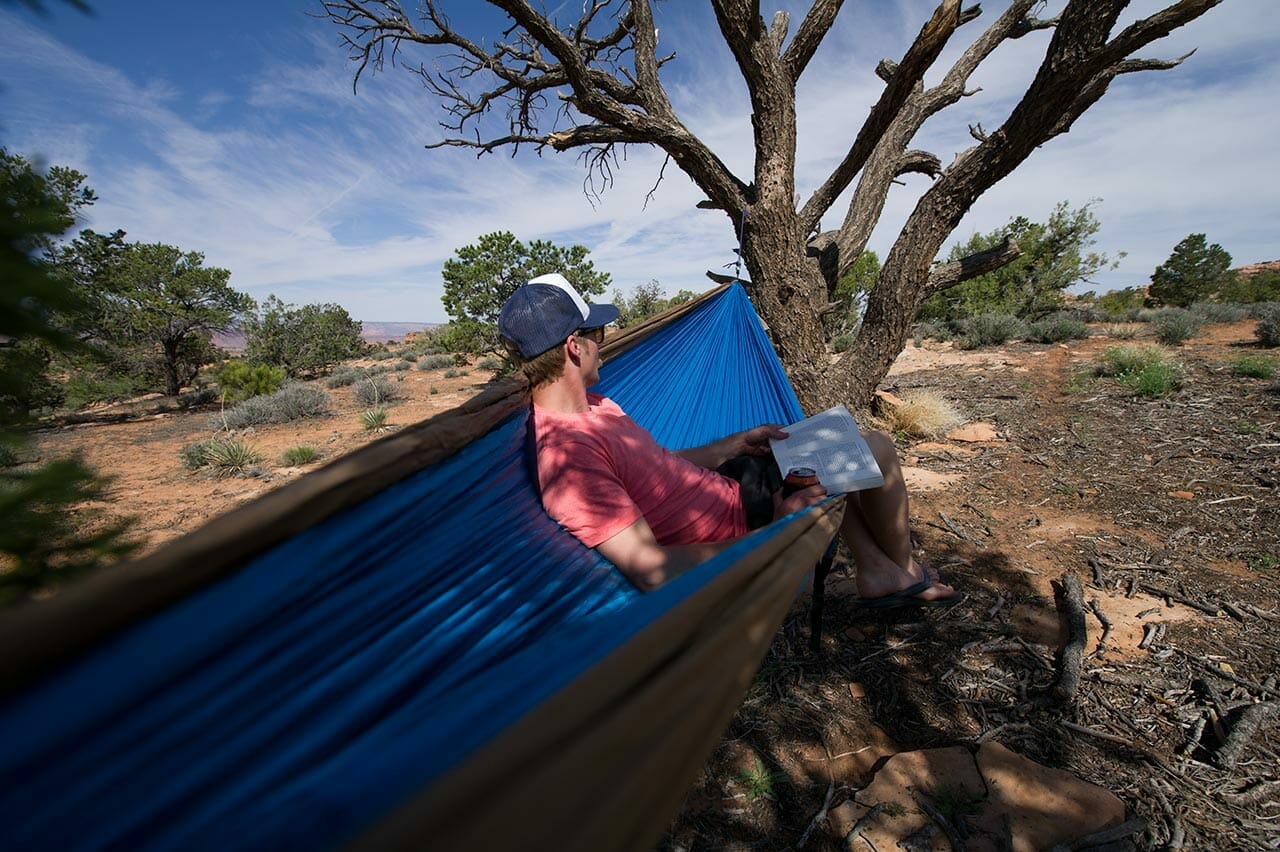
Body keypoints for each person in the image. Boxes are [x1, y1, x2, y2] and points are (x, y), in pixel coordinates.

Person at [498, 272, 957, 605]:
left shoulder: (596, 406)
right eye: (596, 332)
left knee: (841, 448)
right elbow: (654, 570)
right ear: (574, 347)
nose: (604, 340)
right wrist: (777, 533)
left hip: (736, 483)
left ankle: (881, 570)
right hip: (744, 522)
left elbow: (655, 464)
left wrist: (735, 444)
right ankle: (903, 573)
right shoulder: (568, 459)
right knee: (874, 447)